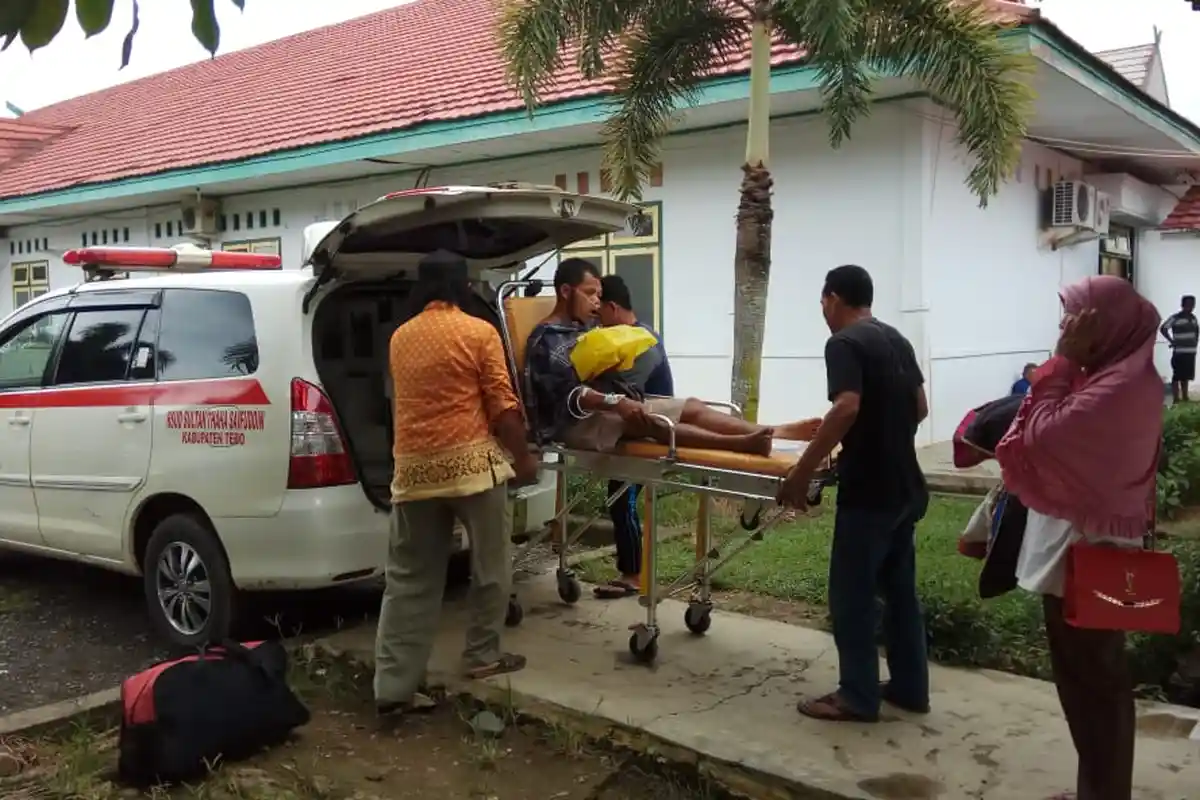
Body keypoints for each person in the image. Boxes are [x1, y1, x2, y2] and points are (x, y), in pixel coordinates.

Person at [996, 275, 1160, 800]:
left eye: (1076, 319)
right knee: (1078, 678)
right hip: (1073, 548)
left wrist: (1062, 361)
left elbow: (1040, 436)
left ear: (1104, 326)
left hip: (1093, 553)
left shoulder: (1120, 388)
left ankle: (1106, 792)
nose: (1065, 329)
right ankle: (1095, 786)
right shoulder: (1106, 376)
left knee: (1099, 681)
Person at [374, 251, 540, 719]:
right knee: (490, 565)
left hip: (412, 472)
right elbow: (503, 406)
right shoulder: (477, 331)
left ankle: (393, 689)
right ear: (461, 287)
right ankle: (482, 656)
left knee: (408, 581)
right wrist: (523, 458)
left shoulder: (399, 338)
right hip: (471, 467)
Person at [777, 264, 930, 723]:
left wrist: (802, 472)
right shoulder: (895, 338)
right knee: (899, 590)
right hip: (907, 485)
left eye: (823, 303)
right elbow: (920, 407)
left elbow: (846, 405)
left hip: (871, 492)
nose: (823, 311)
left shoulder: (842, 343)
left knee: (852, 595)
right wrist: (884, 437)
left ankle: (858, 696)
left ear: (832, 299)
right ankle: (908, 688)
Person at [524, 258, 818, 457]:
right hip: (574, 424)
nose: (596, 302)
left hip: (611, 405)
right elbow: (571, 396)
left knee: (690, 406)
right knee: (653, 420)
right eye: (590, 294)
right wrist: (617, 401)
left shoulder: (585, 329)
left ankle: (777, 430)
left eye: (599, 296)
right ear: (565, 291)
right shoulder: (546, 339)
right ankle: (741, 444)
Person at [590, 274, 674, 599]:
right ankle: (630, 572)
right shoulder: (631, 339)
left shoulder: (642, 342)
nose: (596, 324)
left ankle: (633, 576)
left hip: (651, 434)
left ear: (612, 308)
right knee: (618, 500)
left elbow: (615, 391)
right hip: (639, 430)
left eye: (598, 316)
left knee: (621, 500)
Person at [1160, 294, 1197, 402]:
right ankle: (1175, 397)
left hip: (1190, 352)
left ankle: (1185, 396)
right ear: (1183, 305)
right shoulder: (1176, 318)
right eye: (1188, 305)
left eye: (1192, 305)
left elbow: (1195, 333)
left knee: (1186, 376)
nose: (1190, 307)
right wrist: (1172, 341)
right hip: (1179, 351)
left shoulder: (1193, 318)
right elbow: (1163, 328)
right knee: (1177, 375)